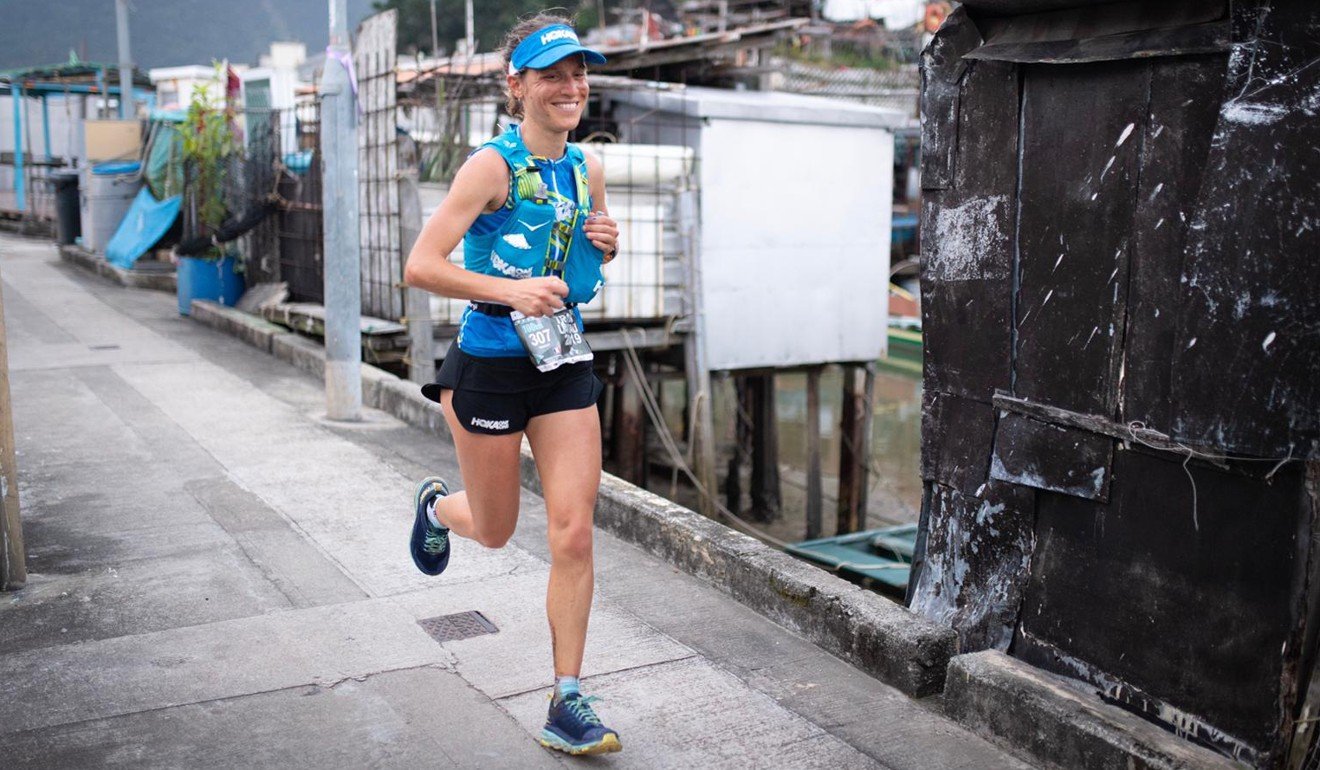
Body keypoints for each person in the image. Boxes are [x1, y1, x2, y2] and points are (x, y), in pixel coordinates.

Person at [401, 12, 622, 757]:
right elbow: (422, 265)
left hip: (562, 364)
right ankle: (438, 507)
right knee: (494, 530)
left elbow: (579, 267)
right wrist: (508, 294)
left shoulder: (587, 167)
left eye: (579, 73)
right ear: (517, 85)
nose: (571, 86)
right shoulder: (488, 167)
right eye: (554, 75)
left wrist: (605, 243)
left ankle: (567, 697)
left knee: (573, 529)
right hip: (490, 368)